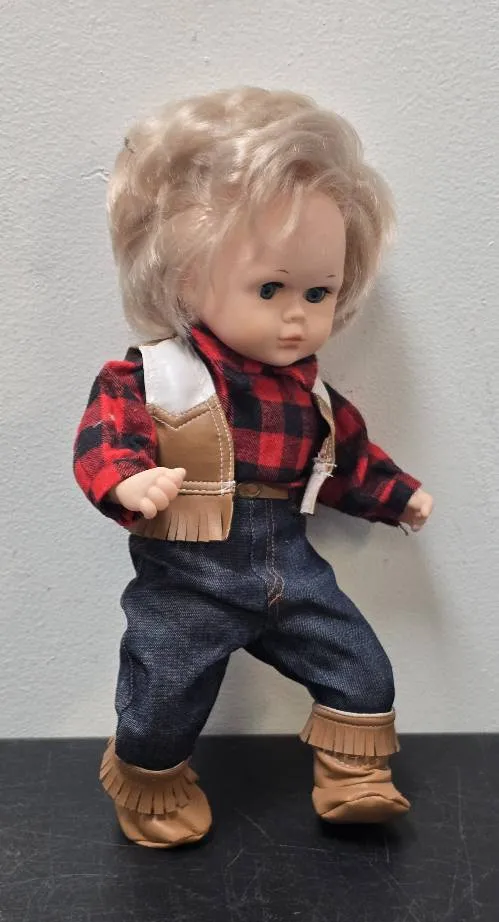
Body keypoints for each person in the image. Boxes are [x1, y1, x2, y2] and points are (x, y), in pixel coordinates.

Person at [74, 87, 433, 848]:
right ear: (182, 277)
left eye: (319, 291)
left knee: (358, 663)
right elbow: (104, 439)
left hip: (291, 565)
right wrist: (129, 480)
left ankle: (354, 775)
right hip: (190, 573)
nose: (297, 314)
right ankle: (150, 782)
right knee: (162, 691)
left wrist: (397, 497)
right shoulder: (153, 376)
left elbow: (347, 463)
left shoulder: (315, 396)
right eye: (270, 288)